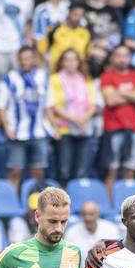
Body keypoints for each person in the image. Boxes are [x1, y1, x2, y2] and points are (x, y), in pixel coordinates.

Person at [0, 45, 51, 189]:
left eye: (27, 58)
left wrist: (53, 126)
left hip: (39, 131)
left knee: (38, 170)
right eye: (21, 59)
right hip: (17, 131)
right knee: (15, 170)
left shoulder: (43, 76)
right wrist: (7, 127)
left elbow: (48, 104)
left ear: (34, 59)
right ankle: (12, 200)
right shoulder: (10, 78)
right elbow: (0, 106)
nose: (24, 62)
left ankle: (36, 202)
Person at [98, 45, 135, 192]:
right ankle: (110, 206)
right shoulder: (107, 76)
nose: (122, 59)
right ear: (113, 58)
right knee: (111, 171)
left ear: (129, 58)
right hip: (113, 129)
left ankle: (130, 206)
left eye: (125, 55)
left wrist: (119, 92)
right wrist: (132, 94)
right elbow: (110, 100)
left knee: (130, 170)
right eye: (118, 55)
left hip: (133, 129)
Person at [48, 48, 101, 183]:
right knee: (64, 170)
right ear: (62, 62)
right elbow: (54, 104)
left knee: (81, 171)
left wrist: (82, 119)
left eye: (73, 59)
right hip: (64, 128)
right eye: (67, 60)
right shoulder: (55, 79)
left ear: (78, 62)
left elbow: (93, 104)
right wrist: (75, 120)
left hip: (85, 128)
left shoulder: (86, 79)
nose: (71, 63)